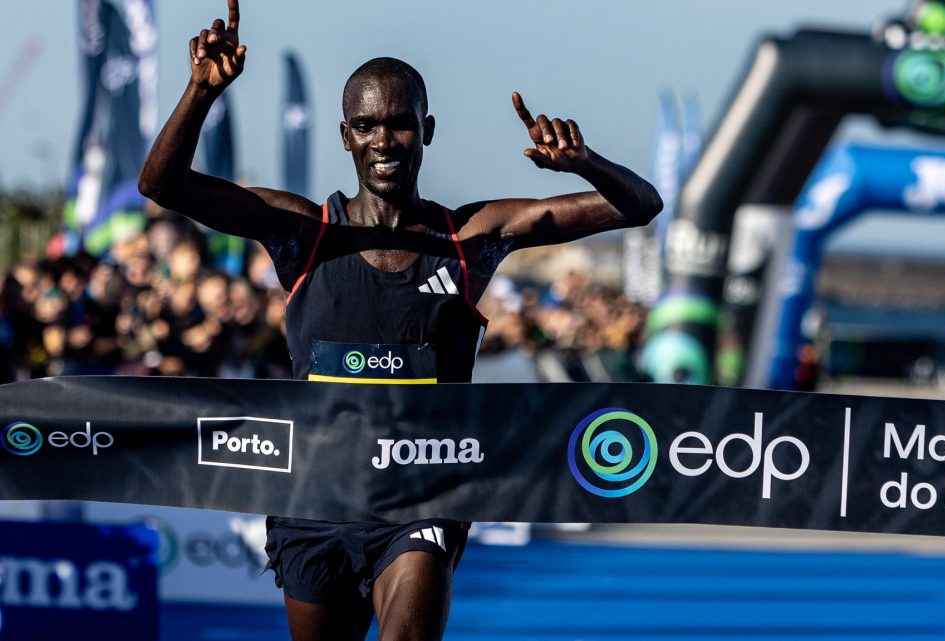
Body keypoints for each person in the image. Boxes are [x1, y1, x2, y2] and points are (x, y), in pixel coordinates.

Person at [137, 1, 662, 639]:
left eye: (400, 125)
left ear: (428, 129)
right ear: (344, 136)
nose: (383, 142)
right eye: (365, 126)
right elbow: (162, 184)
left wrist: (583, 162)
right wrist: (199, 92)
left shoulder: (471, 235)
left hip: (425, 489)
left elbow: (638, 206)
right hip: (314, 495)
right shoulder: (305, 231)